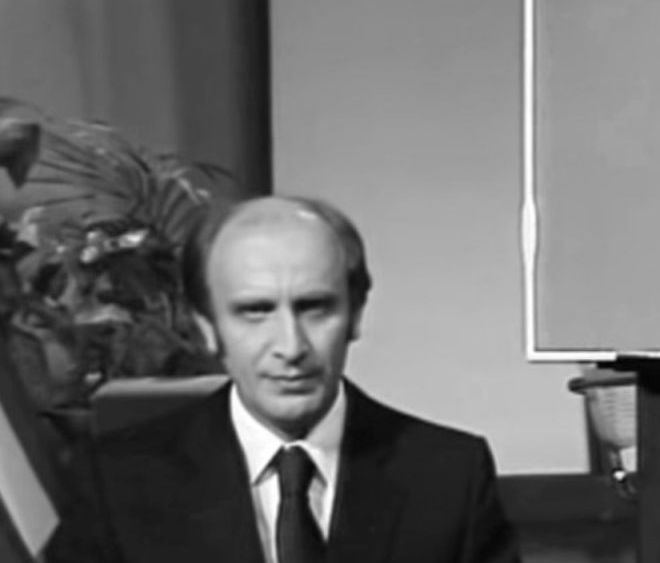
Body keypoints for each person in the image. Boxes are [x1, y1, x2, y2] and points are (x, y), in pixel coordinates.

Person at [45, 196, 521, 563]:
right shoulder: (119, 482)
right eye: (255, 311)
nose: (291, 347)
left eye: (315, 308)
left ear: (356, 314)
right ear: (208, 327)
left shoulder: (449, 476)